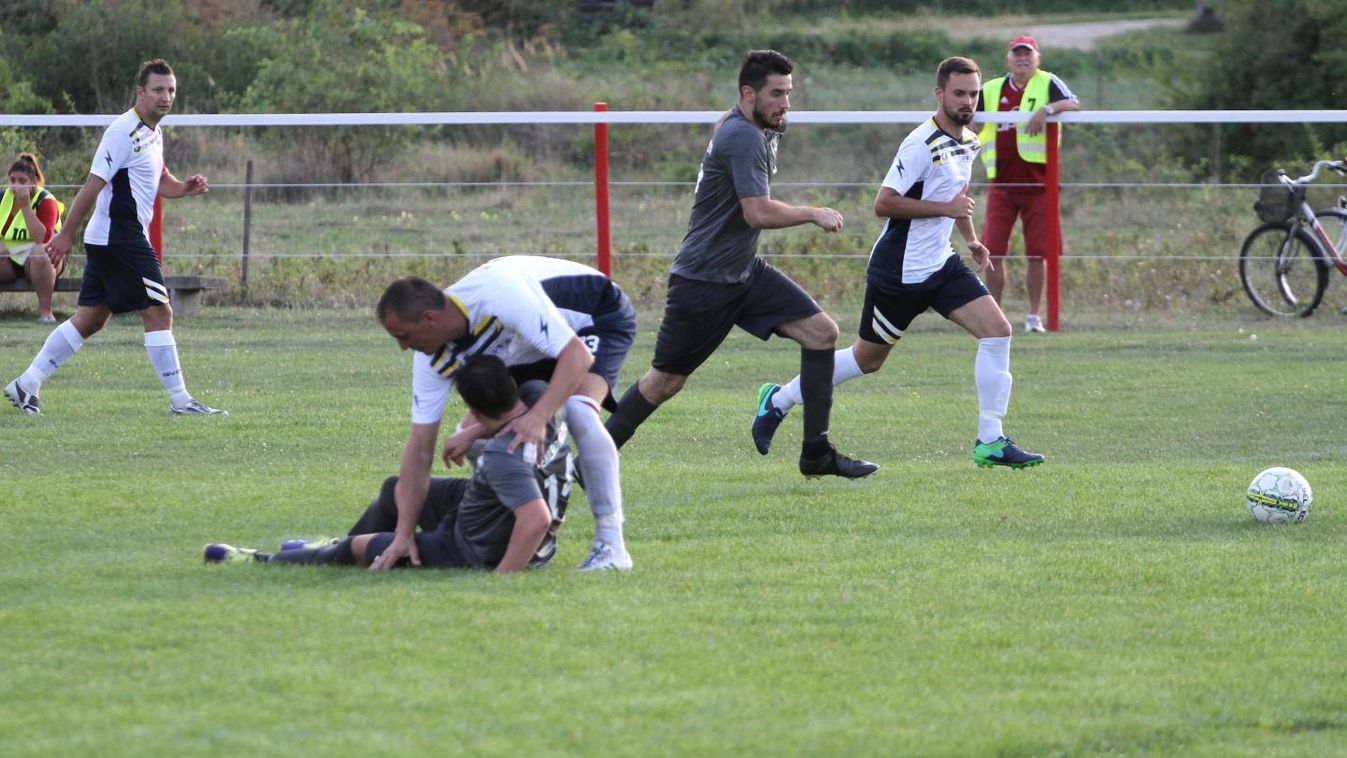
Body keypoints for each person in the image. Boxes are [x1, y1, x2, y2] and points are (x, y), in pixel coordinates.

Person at [752, 57, 1044, 470]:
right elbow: (883, 203)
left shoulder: (970, 141)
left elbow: (957, 198)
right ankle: (777, 399)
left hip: (940, 265)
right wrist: (945, 208)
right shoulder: (920, 144)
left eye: (973, 94)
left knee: (998, 332)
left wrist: (972, 239)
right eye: (958, 93)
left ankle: (991, 441)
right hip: (899, 273)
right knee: (866, 360)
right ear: (939, 94)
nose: (967, 101)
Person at [603, 49, 877, 480]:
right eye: (776, 94)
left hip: (743, 271)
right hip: (704, 280)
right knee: (665, 382)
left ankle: (816, 454)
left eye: (789, 93)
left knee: (821, 332)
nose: (785, 103)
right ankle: (589, 458)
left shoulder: (754, 125)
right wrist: (812, 212)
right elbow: (757, 213)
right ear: (748, 93)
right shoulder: (744, 136)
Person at [376, 256, 636, 571]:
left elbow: (577, 357)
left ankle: (612, 547)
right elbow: (419, 448)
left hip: (594, 314)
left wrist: (538, 418)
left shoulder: (499, 294)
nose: (403, 347)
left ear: (429, 319)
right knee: (469, 432)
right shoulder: (432, 358)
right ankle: (509, 524)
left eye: (403, 336)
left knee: (578, 410)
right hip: (532, 344)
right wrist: (403, 534)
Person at [205, 356, 570, 574]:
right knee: (397, 488)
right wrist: (474, 432)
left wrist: (504, 577)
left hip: (470, 547)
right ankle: (330, 545)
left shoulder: (501, 457)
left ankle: (264, 561)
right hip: (488, 509)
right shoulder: (541, 401)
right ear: (512, 385)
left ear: (472, 408)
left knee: (357, 551)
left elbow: (535, 518)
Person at [4, 58, 223, 416]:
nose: (165, 97)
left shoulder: (154, 131)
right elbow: (93, 186)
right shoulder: (123, 131)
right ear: (140, 92)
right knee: (159, 311)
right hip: (120, 238)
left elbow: (158, 177)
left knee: (91, 318)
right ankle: (181, 401)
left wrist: (184, 188)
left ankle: (27, 383)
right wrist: (65, 236)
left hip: (112, 239)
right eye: (158, 90)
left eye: (170, 90)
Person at [976, 35, 1080, 333]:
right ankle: (993, 316)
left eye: (1028, 53)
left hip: (1038, 185)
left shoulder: (1047, 82)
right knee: (992, 251)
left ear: (1038, 57)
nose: (1023, 58)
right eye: (1016, 53)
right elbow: (969, 117)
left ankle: (1034, 317)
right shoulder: (992, 88)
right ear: (1007, 59)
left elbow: (1073, 105)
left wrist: (1046, 110)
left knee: (1038, 253)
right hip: (1002, 184)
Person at [0, 153, 66, 323]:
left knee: (40, 252)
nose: (16, 186)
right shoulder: (3, 198)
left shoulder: (46, 200)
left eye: (22, 181)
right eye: (12, 180)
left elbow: (42, 239)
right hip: (11, 261)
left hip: (43, 261)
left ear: (33, 182)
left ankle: (46, 313)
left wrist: (25, 207)